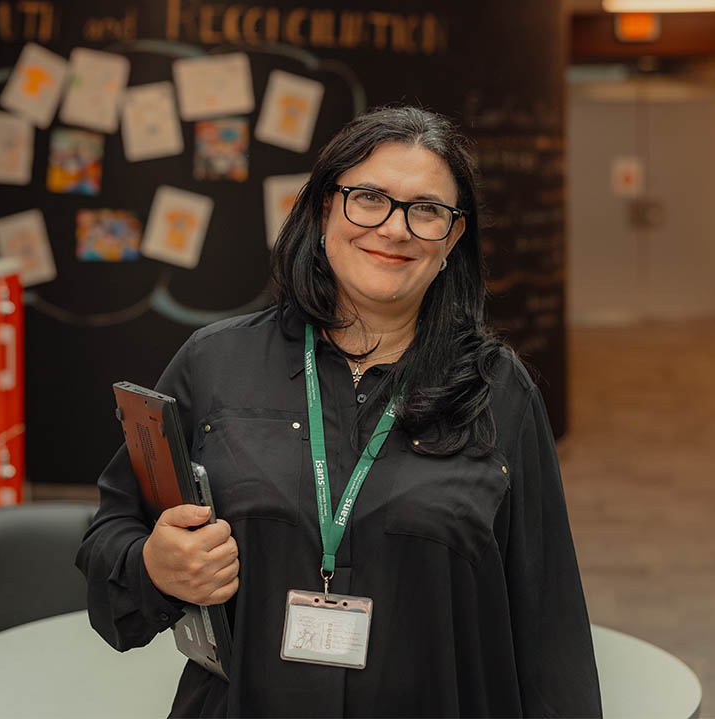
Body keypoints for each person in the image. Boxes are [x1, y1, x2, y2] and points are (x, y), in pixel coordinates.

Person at [76, 105, 602, 718]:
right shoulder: (214, 364)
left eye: (426, 210)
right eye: (369, 198)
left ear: (453, 239)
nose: (396, 229)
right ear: (324, 207)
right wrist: (154, 566)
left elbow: (548, 621)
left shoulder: (499, 391)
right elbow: (110, 536)